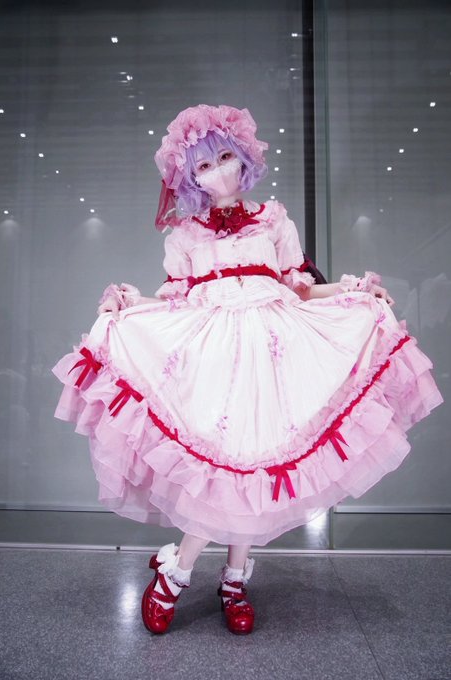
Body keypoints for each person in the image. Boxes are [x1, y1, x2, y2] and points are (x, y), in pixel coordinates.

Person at [51, 103, 443, 637]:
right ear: (189, 177)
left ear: (244, 157)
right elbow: (175, 299)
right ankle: (178, 570)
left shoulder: (274, 219)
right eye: (203, 165)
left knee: (254, 462)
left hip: (271, 348)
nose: (218, 172)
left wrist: (355, 290)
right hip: (213, 351)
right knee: (223, 464)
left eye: (225, 158)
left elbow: (298, 285)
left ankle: (230, 578)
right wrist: (127, 304)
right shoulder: (185, 236)